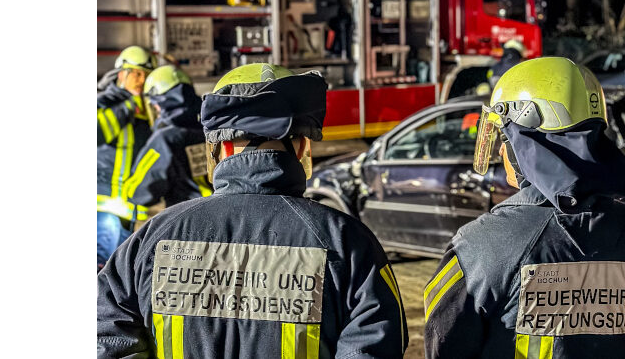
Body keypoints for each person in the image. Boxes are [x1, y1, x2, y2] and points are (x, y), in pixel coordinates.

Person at [98, 63, 409, 358]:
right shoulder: (349, 242)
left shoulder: (150, 241)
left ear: (218, 148)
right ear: (301, 147)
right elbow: (375, 344)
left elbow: (106, 334)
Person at [423, 57, 625, 359]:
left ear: (525, 141)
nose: (502, 149)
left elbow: (444, 344)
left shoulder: (482, 245)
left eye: (506, 137)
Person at [97, 46, 156, 269]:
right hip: (102, 207)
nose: (142, 81)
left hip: (127, 209)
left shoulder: (145, 111)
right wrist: (131, 105)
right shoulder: (104, 102)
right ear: (122, 74)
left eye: (147, 75)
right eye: (137, 73)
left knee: (116, 272)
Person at [123, 65, 212, 210]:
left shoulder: (164, 139)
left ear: (161, 103)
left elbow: (139, 192)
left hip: (188, 220)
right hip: (224, 214)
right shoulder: (212, 128)